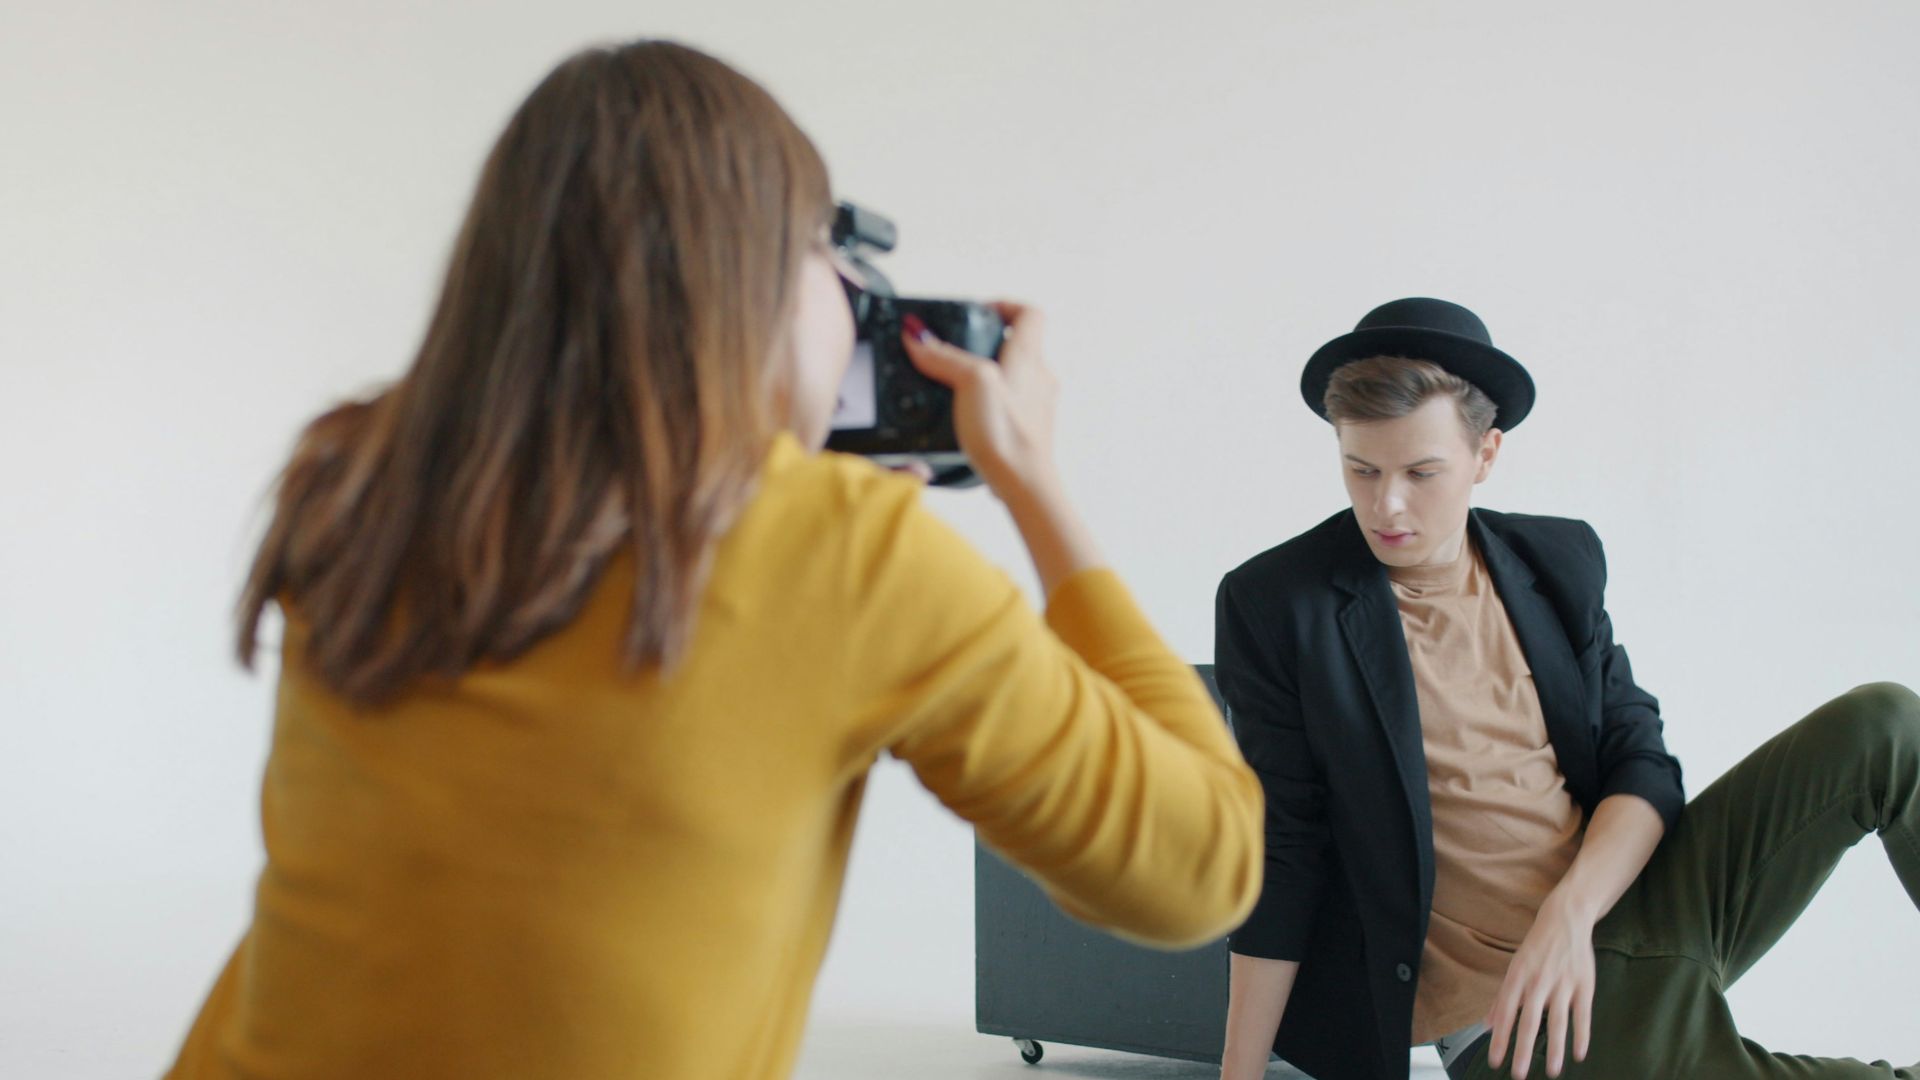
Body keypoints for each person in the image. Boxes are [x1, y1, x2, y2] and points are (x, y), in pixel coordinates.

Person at [164, 40, 1264, 1080]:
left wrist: (822, 559)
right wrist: (1029, 482)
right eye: (831, 259)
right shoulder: (843, 556)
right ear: (756, 283)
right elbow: (1203, 871)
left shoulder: (360, 484)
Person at [1214, 298, 1920, 1080]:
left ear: (1486, 453)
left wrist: (1570, 913)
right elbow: (1284, 850)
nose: (1387, 505)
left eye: (1421, 472)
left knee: (1886, 724)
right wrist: (1238, 1075)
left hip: (1627, 903)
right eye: (1361, 469)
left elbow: (1640, 761)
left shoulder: (1556, 560)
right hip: (1515, 1016)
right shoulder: (1280, 604)